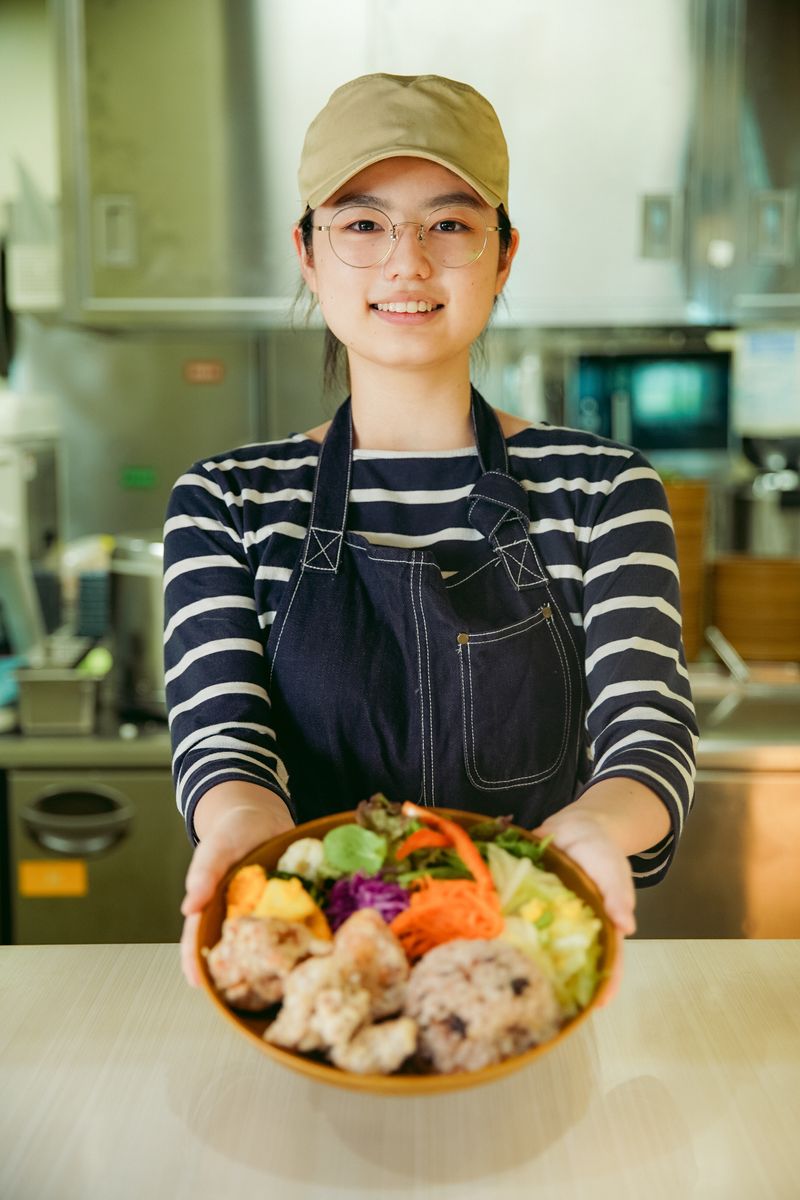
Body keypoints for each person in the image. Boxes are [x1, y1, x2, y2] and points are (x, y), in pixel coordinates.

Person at [164, 73, 697, 990]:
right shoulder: (228, 501)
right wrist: (239, 830)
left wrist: (593, 831)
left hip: (524, 970)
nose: (407, 263)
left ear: (504, 253)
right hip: (318, 977)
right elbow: (225, 742)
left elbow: (646, 735)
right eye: (363, 224)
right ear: (307, 252)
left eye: (449, 223)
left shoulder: (604, 489)